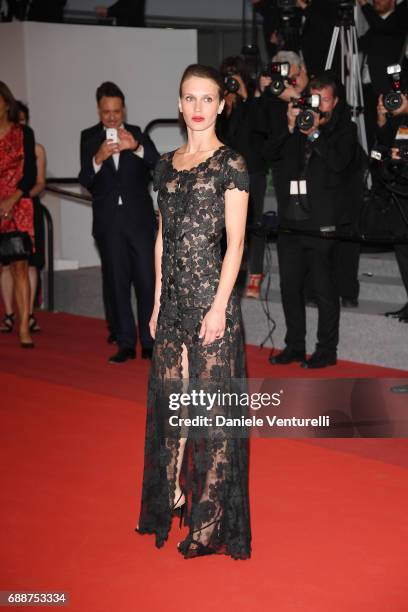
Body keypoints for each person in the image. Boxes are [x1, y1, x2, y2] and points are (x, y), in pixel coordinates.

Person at [136, 64, 251, 559]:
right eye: (190, 98)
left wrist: (220, 308)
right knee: (172, 405)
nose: (199, 108)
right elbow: (162, 239)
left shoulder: (232, 164)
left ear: (222, 104)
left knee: (211, 415)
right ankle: (173, 496)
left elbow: (236, 243)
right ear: (179, 104)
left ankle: (209, 521)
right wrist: (158, 303)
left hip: (210, 304)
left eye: (208, 98)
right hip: (174, 305)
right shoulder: (165, 164)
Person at [265, 71, 359, 368]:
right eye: (314, 99)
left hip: (322, 220)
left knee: (324, 289)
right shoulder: (296, 126)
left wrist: (315, 133)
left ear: (335, 102)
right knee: (290, 287)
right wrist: (291, 126)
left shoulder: (346, 130)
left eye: (325, 100)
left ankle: (326, 351)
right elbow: (267, 155)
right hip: (291, 217)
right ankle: (294, 345)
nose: (319, 106)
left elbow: (338, 163)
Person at [79, 81, 159, 363]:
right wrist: (97, 159)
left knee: (147, 281)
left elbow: (158, 165)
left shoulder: (137, 134)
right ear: (99, 111)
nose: (112, 117)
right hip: (108, 223)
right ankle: (126, 343)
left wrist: (135, 146)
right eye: (106, 112)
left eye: (116, 111)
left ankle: (150, 341)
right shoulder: (88, 138)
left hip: (140, 221)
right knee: (117, 283)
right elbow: (85, 180)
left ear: (123, 109)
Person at [218, 56, 269, 299]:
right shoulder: (221, 105)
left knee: (255, 225)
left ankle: (256, 274)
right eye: (227, 74)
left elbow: (262, 126)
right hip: (229, 173)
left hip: (254, 171)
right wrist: (225, 106)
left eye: (235, 74)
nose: (231, 80)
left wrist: (246, 95)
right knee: (230, 226)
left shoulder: (255, 101)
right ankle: (232, 275)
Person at [0, 101, 46, 334]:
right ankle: (10, 314)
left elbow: (33, 177)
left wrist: (13, 199)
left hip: (21, 207)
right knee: (5, 267)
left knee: (23, 266)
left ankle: (25, 323)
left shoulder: (26, 137)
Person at [358, 0, 408, 150]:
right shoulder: (376, 27)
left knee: (392, 142)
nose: (376, 0)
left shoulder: (400, 17)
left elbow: (384, 28)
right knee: (374, 141)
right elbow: (358, 44)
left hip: (391, 91)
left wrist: (364, 6)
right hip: (368, 92)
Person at [376, 91, 408, 321]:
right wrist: (382, 119)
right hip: (400, 190)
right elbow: (384, 144)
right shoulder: (400, 118)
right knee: (402, 249)